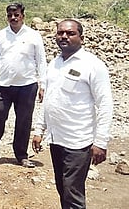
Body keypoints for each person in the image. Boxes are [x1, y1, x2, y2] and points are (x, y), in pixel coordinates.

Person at [32, 19, 113, 209]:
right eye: (60, 33)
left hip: (78, 142)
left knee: (72, 192)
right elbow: (49, 100)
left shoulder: (93, 65)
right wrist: (39, 129)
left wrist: (101, 142)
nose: (64, 37)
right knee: (62, 188)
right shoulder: (55, 64)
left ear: (81, 38)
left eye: (70, 33)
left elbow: (105, 104)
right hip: (56, 140)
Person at [0, 3, 47, 168]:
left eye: (16, 14)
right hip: (3, 85)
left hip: (27, 85)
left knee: (24, 121)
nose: (13, 18)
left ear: (22, 16)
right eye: (10, 15)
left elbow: (41, 60)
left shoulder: (33, 36)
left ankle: (21, 156)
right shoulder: (0, 35)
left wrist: (43, 83)